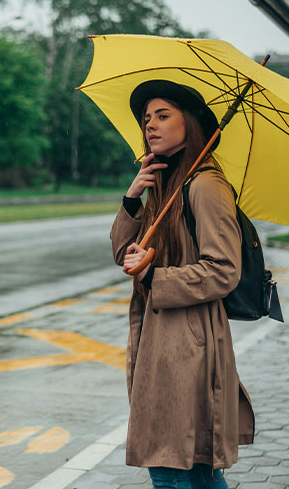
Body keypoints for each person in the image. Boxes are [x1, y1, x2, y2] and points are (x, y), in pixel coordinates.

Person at [110, 80, 254, 489]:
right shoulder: (164, 184)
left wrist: (155, 276)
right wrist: (133, 199)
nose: (149, 125)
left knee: (171, 467)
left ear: (189, 124)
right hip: (163, 341)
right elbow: (125, 256)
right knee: (192, 471)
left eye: (162, 115)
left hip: (190, 344)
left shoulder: (206, 186)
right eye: (146, 119)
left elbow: (223, 270)